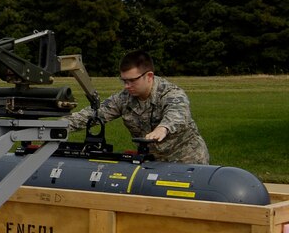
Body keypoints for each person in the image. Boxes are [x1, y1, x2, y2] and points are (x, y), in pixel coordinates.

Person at [66, 50, 209, 165]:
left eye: (132, 81)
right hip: (152, 163)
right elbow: (92, 115)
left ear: (149, 76)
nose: (127, 86)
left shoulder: (171, 93)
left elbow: (177, 114)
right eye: (124, 81)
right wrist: (56, 126)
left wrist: (162, 128)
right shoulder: (123, 98)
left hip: (188, 162)